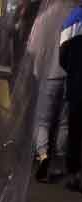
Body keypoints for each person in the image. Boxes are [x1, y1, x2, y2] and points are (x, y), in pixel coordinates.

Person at [28, 0, 77, 181]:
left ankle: (42, 156)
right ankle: (59, 160)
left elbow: (32, 49)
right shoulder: (76, 15)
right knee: (64, 122)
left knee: (43, 121)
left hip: (48, 74)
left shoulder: (43, 18)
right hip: (70, 75)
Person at [60, 1, 82, 188]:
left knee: (75, 131)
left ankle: (75, 174)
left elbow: (63, 58)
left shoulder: (72, 20)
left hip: (77, 86)